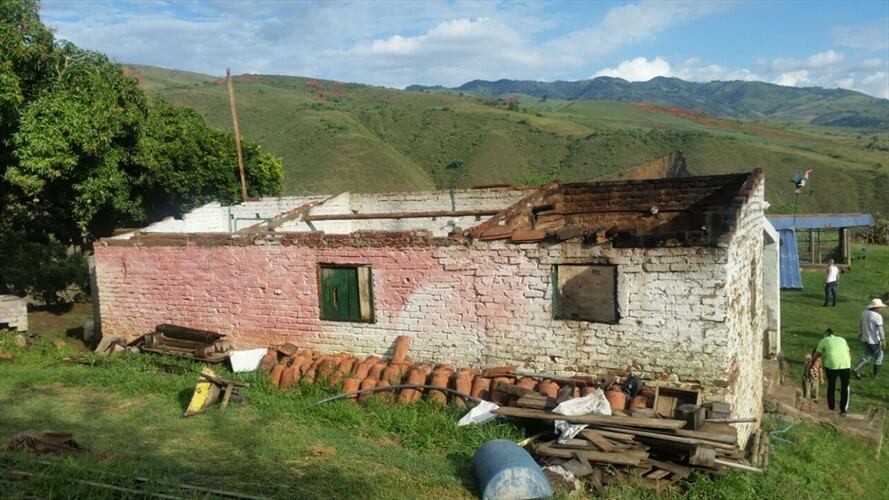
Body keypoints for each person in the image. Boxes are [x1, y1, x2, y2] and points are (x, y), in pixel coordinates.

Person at [814, 328, 852, 415]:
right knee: (844, 387)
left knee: (831, 386)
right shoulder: (842, 339)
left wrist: (812, 362)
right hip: (845, 365)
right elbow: (849, 354)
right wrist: (848, 364)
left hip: (832, 365)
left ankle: (831, 408)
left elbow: (817, 353)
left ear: (826, 334)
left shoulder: (824, 340)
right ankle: (843, 410)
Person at [853, 298, 886, 379]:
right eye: (880, 307)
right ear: (876, 308)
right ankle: (875, 375)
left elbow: (861, 325)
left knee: (868, 355)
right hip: (874, 340)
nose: (881, 309)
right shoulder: (878, 316)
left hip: (865, 338)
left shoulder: (864, 313)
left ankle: (856, 368)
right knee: (879, 357)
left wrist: (861, 333)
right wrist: (883, 340)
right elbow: (880, 330)